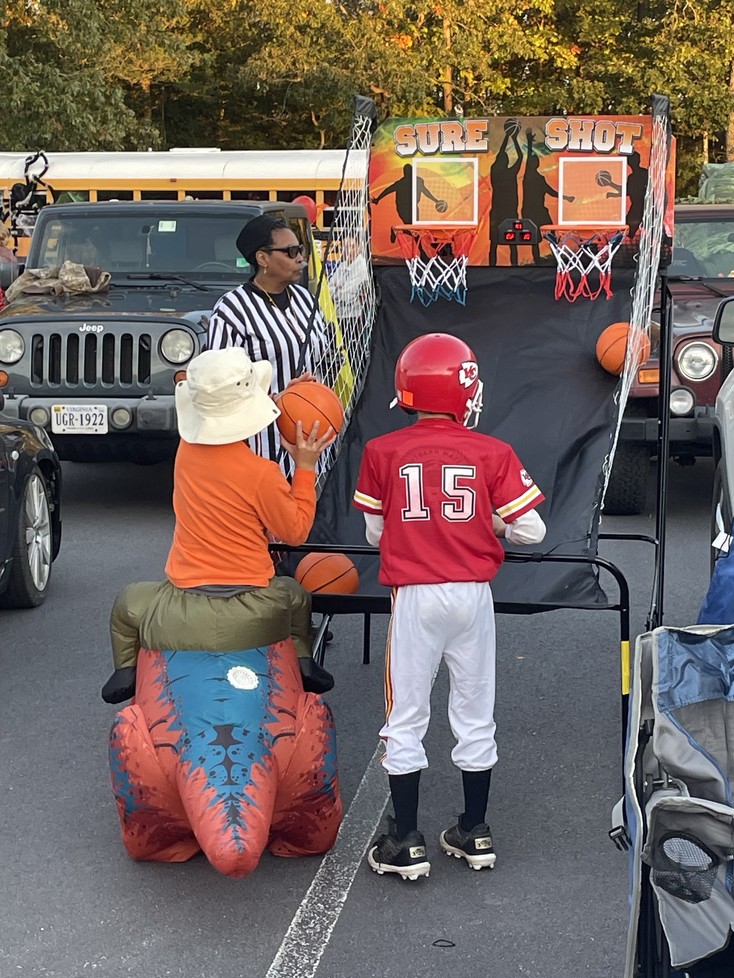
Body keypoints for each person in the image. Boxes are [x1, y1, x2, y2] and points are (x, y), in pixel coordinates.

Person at [353, 332, 546, 881]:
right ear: (464, 388)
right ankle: (475, 831)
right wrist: (488, 523)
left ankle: (406, 840)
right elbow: (532, 529)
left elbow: (373, 532)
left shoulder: (381, 451)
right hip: (473, 595)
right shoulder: (493, 451)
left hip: (415, 594)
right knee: (474, 711)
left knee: (406, 713)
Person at [103, 346, 337, 704]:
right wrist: (305, 466)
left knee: (127, 604)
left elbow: (225, 412)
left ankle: (126, 671)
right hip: (253, 609)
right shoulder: (262, 474)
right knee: (297, 596)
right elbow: (295, 531)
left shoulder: (184, 453)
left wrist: (277, 400)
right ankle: (304, 665)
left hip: (179, 607)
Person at [205, 214, 334, 474]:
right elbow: (219, 385)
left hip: (316, 449)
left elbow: (324, 357)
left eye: (302, 250)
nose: (300, 258)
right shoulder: (233, 309)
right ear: (262, 258)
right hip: (265, 449)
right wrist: (275, 399)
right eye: (290, 252)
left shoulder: (305, 300)